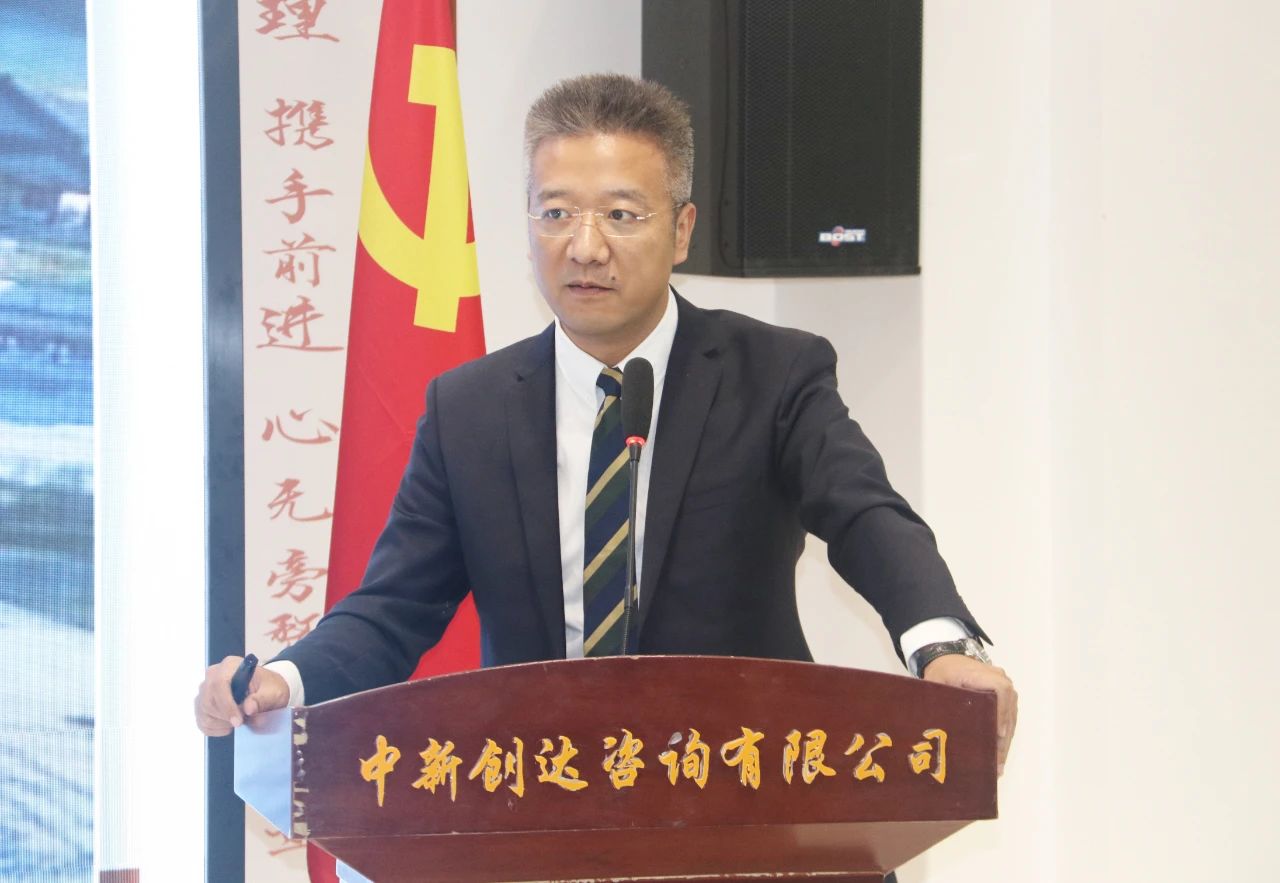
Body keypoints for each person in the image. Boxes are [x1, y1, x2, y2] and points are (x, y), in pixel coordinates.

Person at [196, 75, 1017, 781]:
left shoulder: (774, 374)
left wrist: (941, 645)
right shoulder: (468, 409)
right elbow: (392, 608)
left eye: (622, 214)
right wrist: (284, 681)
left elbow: (866, 514)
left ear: (682, 229)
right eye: (556, 212)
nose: (585, 247)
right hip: (545, 800)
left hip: (746, 787)